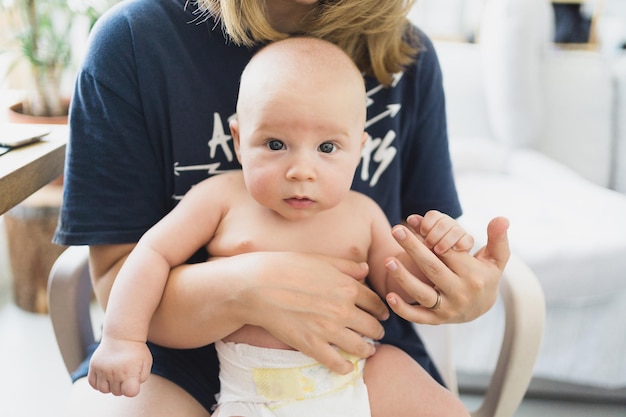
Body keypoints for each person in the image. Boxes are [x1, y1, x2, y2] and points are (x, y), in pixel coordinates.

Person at [54, 0, 510, 415]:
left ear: (360, 148)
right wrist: (245, 287)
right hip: (186, 352)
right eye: (275, 144)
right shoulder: (138, 43)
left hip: (356, 356)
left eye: (328, 147)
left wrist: (455, 283)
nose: (302, 171)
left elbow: (400, 278)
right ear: (238, 138)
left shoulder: (406, 58)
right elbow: (134, 266)